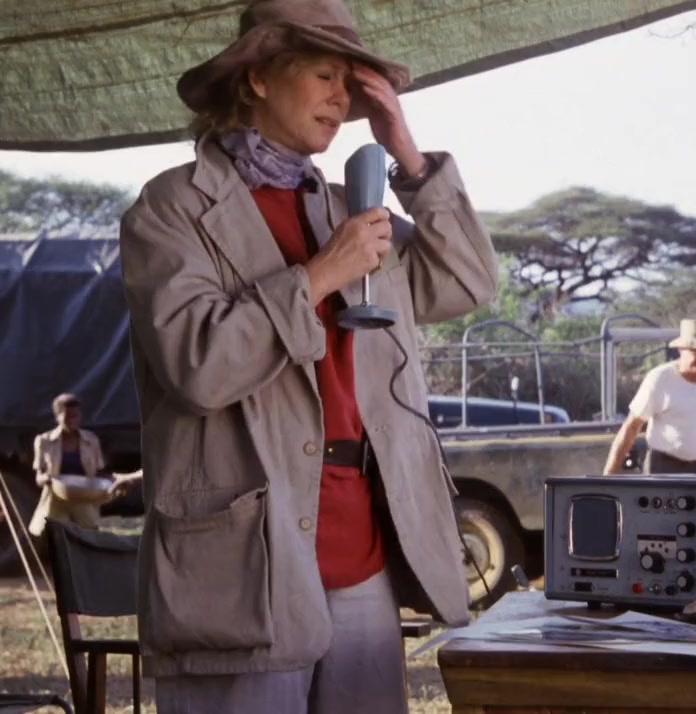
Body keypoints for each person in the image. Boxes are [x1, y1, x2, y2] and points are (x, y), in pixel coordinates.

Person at [117, 0, 497, 711]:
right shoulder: (172, 207)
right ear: (258, 77)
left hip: (362, 550)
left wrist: (408, 156)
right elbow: (199, 367)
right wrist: (320, 275)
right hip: (242, 559)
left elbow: (468, 281)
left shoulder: (349, 204)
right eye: (324, 75)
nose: (341, 98)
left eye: (351, 84)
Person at [603, 318, 696, 476]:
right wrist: (609, 475)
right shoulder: (660, 379)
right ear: (681, 350)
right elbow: (632, 427)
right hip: (663, 466)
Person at [28, 393, 110, 536]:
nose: (73, 420)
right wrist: (46, 479)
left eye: (76, 416)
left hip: (84, 498)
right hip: (56, 498)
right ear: (57, 416)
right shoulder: (44, 441)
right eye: (67, 416)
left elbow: (99, 474)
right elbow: (38, 478)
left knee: (89, 536)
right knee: (54, 537)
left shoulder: (91, 440)